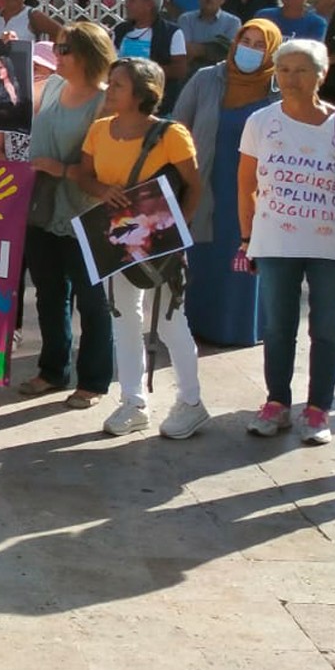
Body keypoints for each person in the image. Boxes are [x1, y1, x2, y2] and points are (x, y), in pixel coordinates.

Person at [237, 39, 335, 446]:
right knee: (277, 327)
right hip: (275, 241)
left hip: (332, 243)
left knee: (328, 328)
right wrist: (246, 238)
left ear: (321, 74)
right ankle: (277, 403)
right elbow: (246, 184)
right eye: (284, 70)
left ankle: (318, 409)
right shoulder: (260, 122)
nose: (291, 79)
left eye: (301, 70)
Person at [73, 58, 207, 439]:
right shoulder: (99, 130)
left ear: (142, 93)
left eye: (117, 84)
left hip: (160, 243)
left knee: (169, 320)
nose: (109, 89)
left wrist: (175, 236)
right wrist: (102, 191)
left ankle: (191, 401)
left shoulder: (171, 135)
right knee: (123, 318)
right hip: (116, 242)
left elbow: (194, 187)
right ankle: (132, 402)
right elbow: (84, 174)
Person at [10, 22, 114, 405]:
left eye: (65, 48)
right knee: (50, 295)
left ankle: (95, 380)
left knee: (92, 300)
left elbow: (106, 164)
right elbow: (10, 95)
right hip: (42, 207)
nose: (57, 54)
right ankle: (52, 370)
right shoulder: (52, 86)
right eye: (56, 47)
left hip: (86, 211)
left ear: (88, 54)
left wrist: (61, 169)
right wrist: (5, 54)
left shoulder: (104, 102)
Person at [171, 19, 283, 347]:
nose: (249, 49)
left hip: (255, 192)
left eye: (259, 44)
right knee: (206, 257)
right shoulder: (207, 79)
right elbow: (178, 125)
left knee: (246, 258)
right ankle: (196, 327)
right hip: (207, 183)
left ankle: (241, 328)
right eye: (245, 40)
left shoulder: (278, 89)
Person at [181, 0, 243, 70]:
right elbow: (185, 52)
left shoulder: (233, 22)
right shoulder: (186, 19)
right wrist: (213, 49)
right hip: (190, 75)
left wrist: (198, 49)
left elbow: (229, 53)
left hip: (221, 76)